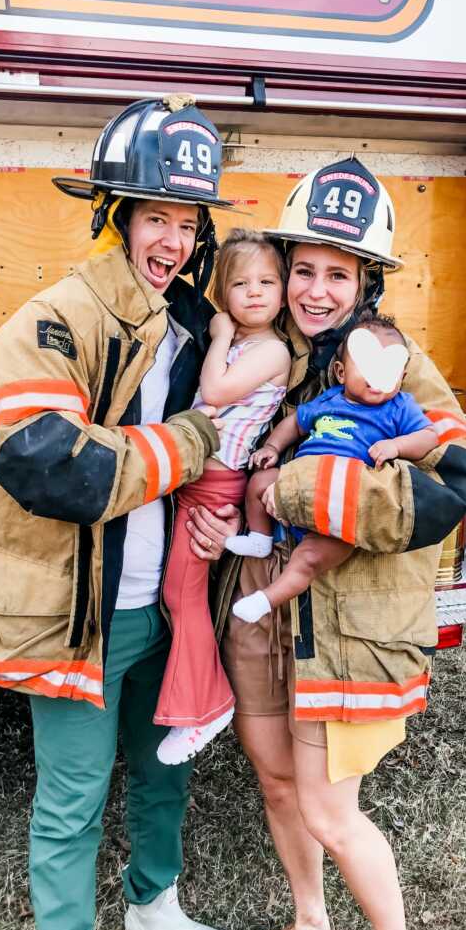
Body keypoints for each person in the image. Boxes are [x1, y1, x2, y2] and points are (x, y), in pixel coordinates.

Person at [0, 96, 244, 930]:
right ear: (113, 212)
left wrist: (211, 508)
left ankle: (154, 903)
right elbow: (53, 467)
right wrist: (193, 444)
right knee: (71, 804)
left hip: (172, 599)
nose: (173, 238)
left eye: (188, 219)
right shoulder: (54, 320)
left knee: (168, 761)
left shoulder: (194, 320)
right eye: (155, 213)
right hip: (84, 613)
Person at [216, 157, 466, 930]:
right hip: (263, 610)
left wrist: (296, 493)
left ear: (366, 283)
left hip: (352, 633)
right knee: (276, 779)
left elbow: (452, 480)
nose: (317, 289)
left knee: (332, 809)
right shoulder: (277, 355)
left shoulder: (398, 365)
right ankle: (308, 919)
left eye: (339, 273)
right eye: (305, 269)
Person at [153, 229, 290, 764]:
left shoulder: (271, 349)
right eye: (239, 283)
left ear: (281, 291)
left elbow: (214, 394)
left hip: (215, 485)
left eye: (266, 282)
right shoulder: (239, 346)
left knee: (180, 595)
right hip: (195, 481)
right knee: (177, 594)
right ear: (222, 289)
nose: (254, 292)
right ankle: (197, 699)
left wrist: (218, 334)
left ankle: (206, 707)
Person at [227, 314, 438, 621]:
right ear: (340, 372)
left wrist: (397, 446)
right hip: (294, 486)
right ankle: (260, 539)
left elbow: (429, 437)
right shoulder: (329, 400)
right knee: (259, 482)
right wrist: (272, 448)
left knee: (307, 560)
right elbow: (295, 423)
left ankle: (265, 600)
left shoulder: (399, 407)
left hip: (340, 512)